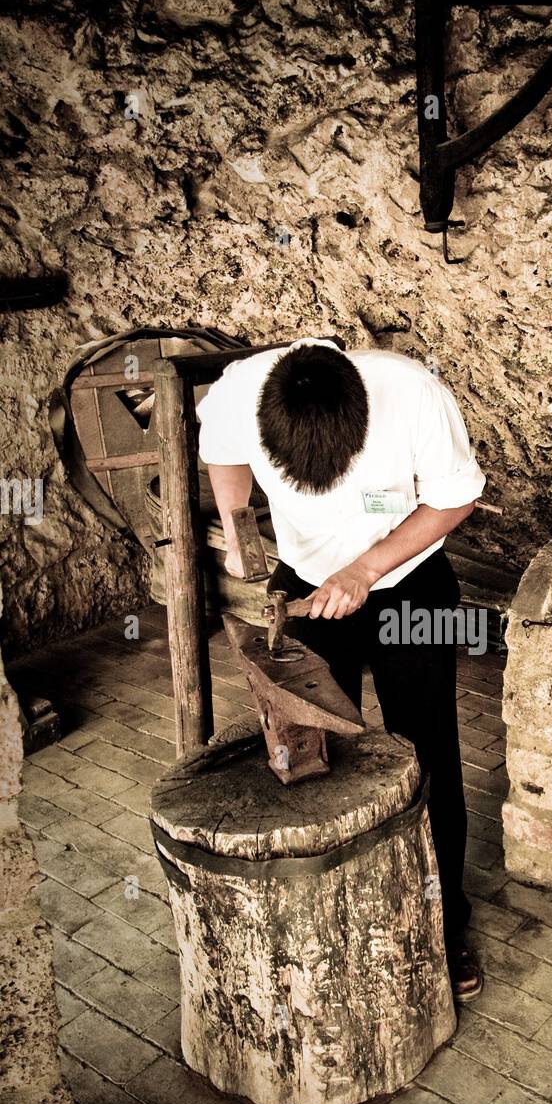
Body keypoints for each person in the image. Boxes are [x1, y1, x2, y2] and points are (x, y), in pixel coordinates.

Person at [197, 336, 486, 1000]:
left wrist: (364, 569)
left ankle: (444, 926)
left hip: (409, 586)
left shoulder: (412, 393)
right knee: (314, 750)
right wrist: (242, 536)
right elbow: (223, 452)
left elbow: (455, 499)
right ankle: (332, 917)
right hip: (304, 582)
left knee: (425, 749)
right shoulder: (243, 389)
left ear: (360, 427)